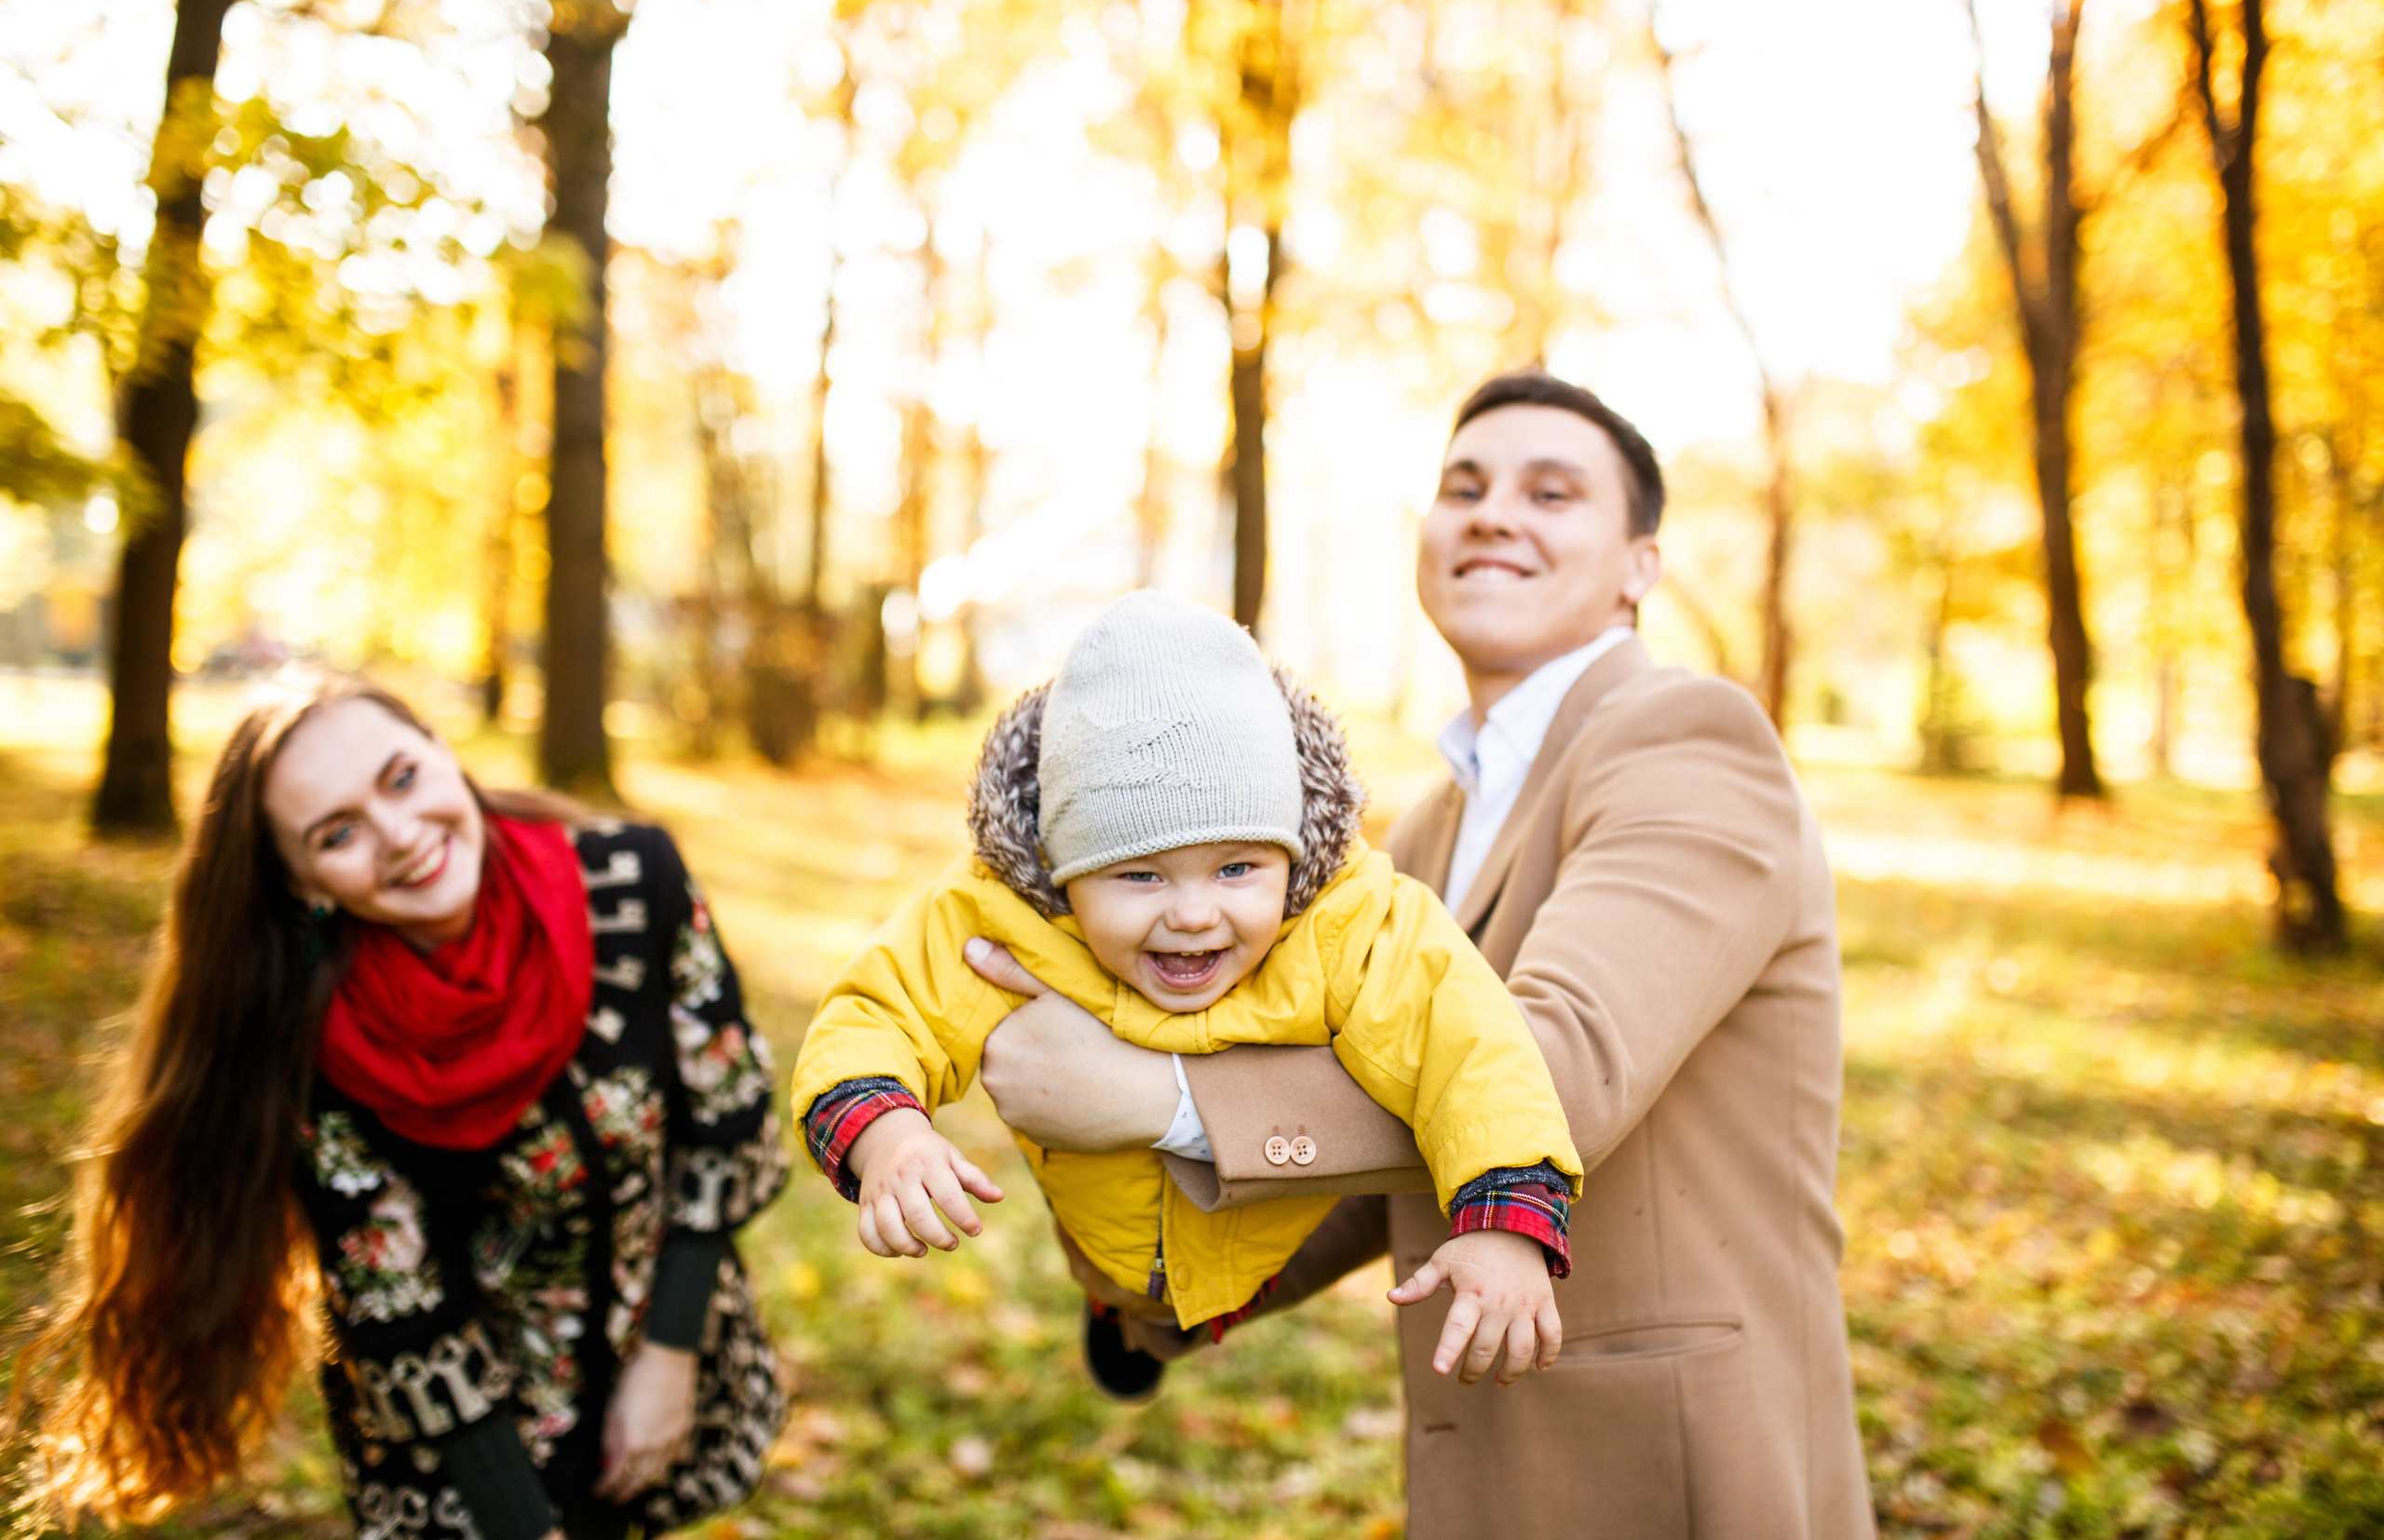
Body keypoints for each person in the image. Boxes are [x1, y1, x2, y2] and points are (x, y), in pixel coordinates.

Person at [967, 371, 1876, 1538]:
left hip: (1675, 1461)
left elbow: (1551, 1070)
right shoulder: (1433, 823)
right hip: (1490, 1450)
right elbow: (1378, 1153)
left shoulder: (1686, 739)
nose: (1494, 513)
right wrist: (1161, 1288)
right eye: (1465, 487)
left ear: (1639, 565)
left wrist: (1155, 1097)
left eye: (1551, 493)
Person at [13, 674, 790, 1540]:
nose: (399, 836)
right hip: (456, 1448)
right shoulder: (308, 1031)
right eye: (337, 833)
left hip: (663, 1353)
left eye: (401, 778)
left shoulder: (636, 881)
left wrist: (671, 1355)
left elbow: (728, 1114)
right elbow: (398, 1304)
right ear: (304, 882)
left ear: (441, 751)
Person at [790, 591, 1581, 1402]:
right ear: (1062, 871)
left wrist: (1505, 1217)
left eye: (1238, 867)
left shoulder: (1352, 921)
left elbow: (1473, 1043)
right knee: (1129, 1300)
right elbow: (875, 1013)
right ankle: (1119, 1312)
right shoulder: (1001, 917)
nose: (1195, 913)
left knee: (1192, 1305)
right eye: (1139, 874)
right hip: (1106, 1241)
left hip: (1260, 1256)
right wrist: (886, 1136)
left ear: (1293, 850)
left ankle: (1169, 1320)